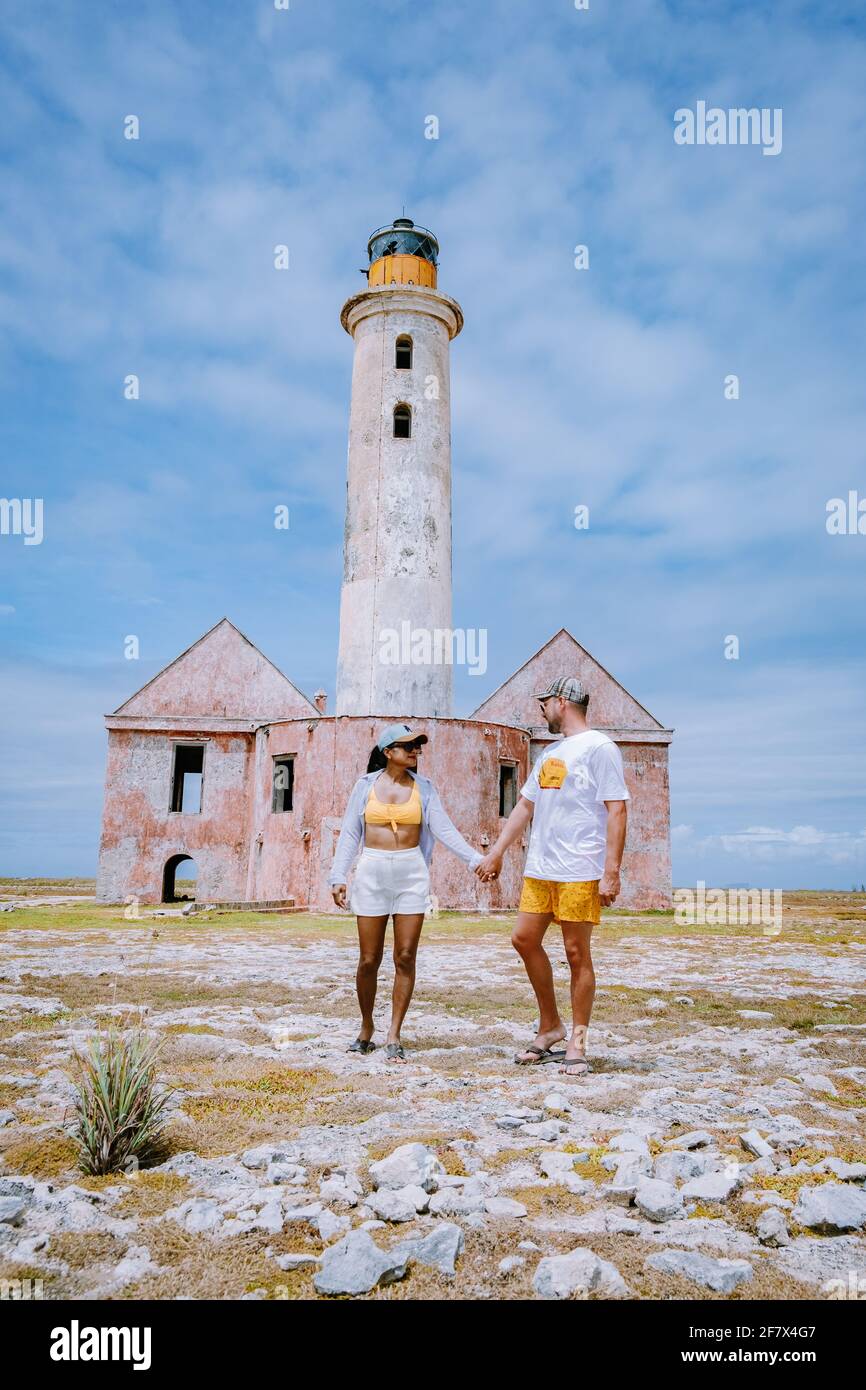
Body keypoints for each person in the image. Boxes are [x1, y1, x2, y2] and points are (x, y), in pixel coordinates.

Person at [476, 678, 629, 1078]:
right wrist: (496, 852)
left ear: (563, 702)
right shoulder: (549, 754)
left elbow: (617, 810)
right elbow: (525, 807)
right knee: (523, 939)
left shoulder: (600, 747)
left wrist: (610, 872)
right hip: (541, 869)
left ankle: (577, 1041)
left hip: (580, 869)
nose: (540, 710)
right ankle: (550, 1025)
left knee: (577, 954)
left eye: (544, 703)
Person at [329, 723, 483, 1062]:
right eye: (408, 746)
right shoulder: (364, 786)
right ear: (388, 753)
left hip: (411, 873)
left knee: (405, 956)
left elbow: (444, 829)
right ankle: (366, 1026)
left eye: (418, 746)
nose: (416, 751)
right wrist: (338, 875)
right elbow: (350, 834)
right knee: (369, 959)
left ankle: (394, 1033)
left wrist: (476, 861)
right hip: (371, 871)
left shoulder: (425, 789)